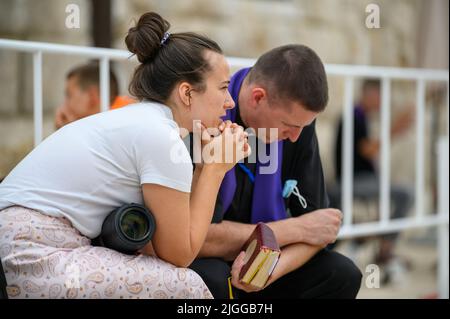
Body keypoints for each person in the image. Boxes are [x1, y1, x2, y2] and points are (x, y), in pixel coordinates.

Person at [0, 12, 250, 299]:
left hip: (21, 241)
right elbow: (181, 256)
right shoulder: (160, 137)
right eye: (222, 88)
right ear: (187, 93)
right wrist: (217, 169)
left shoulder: (146, 123)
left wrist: (204, 167)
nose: (230, 102)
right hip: (31, 251)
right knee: (187, 288)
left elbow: (164, 244)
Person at [189, 45, 363, 299]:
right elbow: (198, 238)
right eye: (289, 125)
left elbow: (319, 230)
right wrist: (295, 229)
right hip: (214, 262)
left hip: (269, 262)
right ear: (258, 97)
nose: (294, 137)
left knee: (342, 273)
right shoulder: (210, 116)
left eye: (303, 126)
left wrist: (274, 270)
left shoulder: (298, 128)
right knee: (210, 279)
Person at [329, 79, 414, 283]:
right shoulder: (354, 116)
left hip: (363, 180)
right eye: (380, 97)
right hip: (354, 181)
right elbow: (368, 149)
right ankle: (385, 248)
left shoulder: (360, 116)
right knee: (405, 194)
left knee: (396, 195)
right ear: (370, 95)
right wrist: (395, 130)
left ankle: (378, 245)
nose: (382, 102)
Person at [54, 62, 135, 129]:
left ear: (92, 96)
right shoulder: (125, 112)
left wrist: (68, 130)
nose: (64, 104)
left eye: (69, 95)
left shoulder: (118, 125)